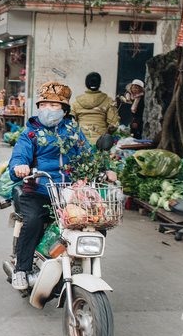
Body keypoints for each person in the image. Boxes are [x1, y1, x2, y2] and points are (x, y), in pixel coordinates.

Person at [8, 81, 116, 290]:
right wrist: (20, 166)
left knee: (96, 223)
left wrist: (105, 169)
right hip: (38, 190)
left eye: (54, 106)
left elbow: (87, 156)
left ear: (65, 110)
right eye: (43, 105)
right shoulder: (30, 133)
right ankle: (21, 269)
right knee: (32, 222)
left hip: (69, 192)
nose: (47, 109)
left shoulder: (73, 131)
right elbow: (19, 155)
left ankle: (81, 263)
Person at [70, 72, 119, 142]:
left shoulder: (77, 101)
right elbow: (113, 124)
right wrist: (107, 133)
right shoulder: (108, 100)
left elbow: (71, 122)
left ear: (86, 85)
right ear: (99, 85)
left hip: (82, 141)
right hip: (101, 141)